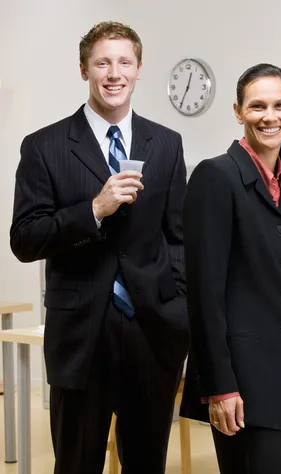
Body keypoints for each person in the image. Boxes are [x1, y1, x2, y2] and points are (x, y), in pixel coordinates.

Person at [10, 21, 188, 474]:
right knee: (75, 463)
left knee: (147, 464)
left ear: (139, 69)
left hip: (152, 333)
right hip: (81, 336)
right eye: (102, 62)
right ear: (85, 70)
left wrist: (178, 308)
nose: (114, 73)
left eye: (124, 62)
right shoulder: (44, 146)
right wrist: (94, 209)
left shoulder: (166, 144)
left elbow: (178, 238)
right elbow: (25, 238)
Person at [179, 63, 281, 474]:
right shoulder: (215, 177)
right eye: (257, 106)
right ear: (238, 111)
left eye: (279, 105)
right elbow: (204, 294)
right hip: (238, 378)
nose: (269, 116)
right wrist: (219, 387)